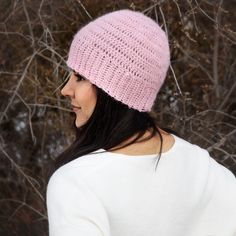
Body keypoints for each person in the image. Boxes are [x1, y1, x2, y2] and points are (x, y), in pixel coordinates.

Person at [46, 9, 236, 236]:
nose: (65, 90)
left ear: (113, 89)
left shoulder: (75, 184)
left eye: (80, 77)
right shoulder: (211, 174)